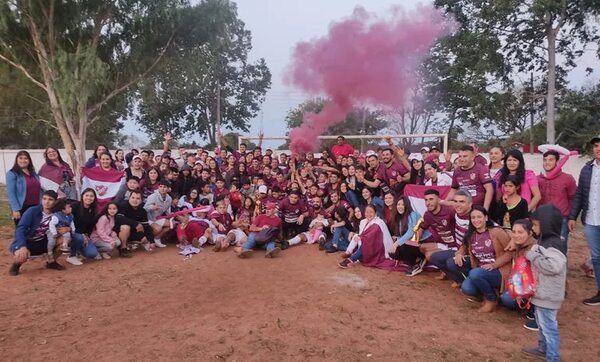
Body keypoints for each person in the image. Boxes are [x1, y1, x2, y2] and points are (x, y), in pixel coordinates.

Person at [521, 205, 567, 362]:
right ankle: (543, 348)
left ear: (546, 224)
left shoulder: (553, 244)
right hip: (541, 293)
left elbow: (554, 266)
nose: (533, 228)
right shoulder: (545, 241)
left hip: (548, 295)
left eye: (535, 225)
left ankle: (553, 357)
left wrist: (532, 256)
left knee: (548, 327)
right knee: (542, 323)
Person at [459, 206, 512, 312]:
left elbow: (510, 251)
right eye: (473, 217)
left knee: (474, 274)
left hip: (499, 270)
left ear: (486, 218)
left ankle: (491, 300)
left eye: (479, 217)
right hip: (481, 270)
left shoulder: (496, 232)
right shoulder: (471, 234)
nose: (476, 220)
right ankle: (491, 291)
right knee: (467, 288)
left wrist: (494, 265)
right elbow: (464, 246)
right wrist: (459, 253)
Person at [569, 134, 600, 306]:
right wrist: (573, 216)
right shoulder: (587, 169)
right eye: (595, 145)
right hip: (591, 220)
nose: (598, 148)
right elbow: (580, 195)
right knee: (596, 258)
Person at [8, 191, 63, 275]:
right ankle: (16, 265)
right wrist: (22, 245)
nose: (46, 202)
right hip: (28, 242)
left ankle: (51, 262)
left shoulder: (57, 214)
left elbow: (68, 216)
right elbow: (20, 228)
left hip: (43, 242)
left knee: (64, 241)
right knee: (22, 254)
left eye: (50, 199)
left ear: (55, 202)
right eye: (44, 199)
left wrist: (68, 228)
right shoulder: (33, 211)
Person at [337, 204, 404, 271]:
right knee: (362, 241)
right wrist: (360, 238)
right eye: (367, 212)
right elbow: (362, 235)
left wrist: (361, 238)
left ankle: (350, 260)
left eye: (371, 212)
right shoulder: (362, 221)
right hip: (367, 246)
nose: (369, 214)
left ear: (375, 213)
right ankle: (351, 253)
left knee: (366, 243)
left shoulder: (379, 222)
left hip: (380, 248)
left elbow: (371, 235)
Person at [429, 190, 473, 285]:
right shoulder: (455, 214)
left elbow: (493, 226)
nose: (458, 205)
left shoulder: (475, 217)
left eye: (462, 202)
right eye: (455, 201)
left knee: (451, 263)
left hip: (473, 255)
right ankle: (460, 280)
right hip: (458, 250)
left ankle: (472, 283)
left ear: (470, 204)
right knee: (434, 257)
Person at [380, 196, 432, 272]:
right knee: (392, 252)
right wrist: (397, 239)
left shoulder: (413, 214)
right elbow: (402, 234)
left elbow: (411, 232)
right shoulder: (399, 217)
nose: (400, 207)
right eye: (398, 204)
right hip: (413, 242)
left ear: (407, 205)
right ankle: (416, 260)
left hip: (424, 242)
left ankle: (415, 263)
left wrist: (397, 243)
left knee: (401, 246)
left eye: (403, 205)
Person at [413, 189, 457, 276]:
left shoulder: (450, 211)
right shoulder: (428, 214)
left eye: (431, 199)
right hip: (444, 244)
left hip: (456, 245)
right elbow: (422, 227)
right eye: (426, 200)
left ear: (438, 200)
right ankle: (445, 268)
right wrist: (415, 240)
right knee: (421, 247)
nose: (428, 203)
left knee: (429, 255)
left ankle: (452, 273)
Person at [538, 150, 577, 244]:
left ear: (557, 161)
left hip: (561, 219)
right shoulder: (537, 179)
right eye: (545, 160)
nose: (547, 162)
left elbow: (574, 198)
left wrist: (572, 218)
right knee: (542, 247)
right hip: (542, 219)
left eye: (551, 160)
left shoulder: (567, 178)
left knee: (560, 247)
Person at [500, 219, 536, 310]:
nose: (516, 235)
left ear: (530, 233)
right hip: (521, 282)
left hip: (533, 286)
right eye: (514, 232)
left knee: (507, 298)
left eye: (520, 232)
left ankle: (531, 307)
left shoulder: (535, 248)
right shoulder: (517, 245)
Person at [445, 145, 493, 210]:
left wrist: (485, 209)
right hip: (462, 208)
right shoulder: (457, 171)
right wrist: (445, 201)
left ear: (472, 157)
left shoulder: (481, 169)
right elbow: (453, 190)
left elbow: (489, 189)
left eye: (465, 156)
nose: (461, 159)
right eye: (460, 156)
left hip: (477, 208)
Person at [6, 150, 41, 226]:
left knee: (35, 231)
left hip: (35, 206)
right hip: (22, 208)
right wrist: (15, 209)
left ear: (29, 160)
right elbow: (11, 193)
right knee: (22, 231)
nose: (23, 160)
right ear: (17, 160)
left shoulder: (34, 173)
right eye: (20, 158)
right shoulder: (12, 173)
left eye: (26, 158)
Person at [115, 190, 154, 256]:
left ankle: (130, 244)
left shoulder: (142, 211)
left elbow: (146, 226)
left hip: (132, 231)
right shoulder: (123, 205)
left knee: (144, 239)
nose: (135, 200)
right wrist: (135, 223)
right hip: (117, 231)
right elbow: (118, 218)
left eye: (138, 198)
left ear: (141, 200)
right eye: (133, 197)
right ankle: (122, 248)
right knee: (125, 227)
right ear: (129, 198)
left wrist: (152, 241)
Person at [143, 180, 173, 248]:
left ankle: (157, 239)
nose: (162, 188)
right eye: (160, 186)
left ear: (168, 189)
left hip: (158, 218)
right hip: (149, 218)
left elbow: (167, 209)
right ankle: (148, 240)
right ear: (158, 187)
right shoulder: (152, 196)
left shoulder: (169, 199)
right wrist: (152, 207)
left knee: (171, 224)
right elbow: (145, 208)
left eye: (165, 187)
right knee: (158, 228)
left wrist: (170, 214)